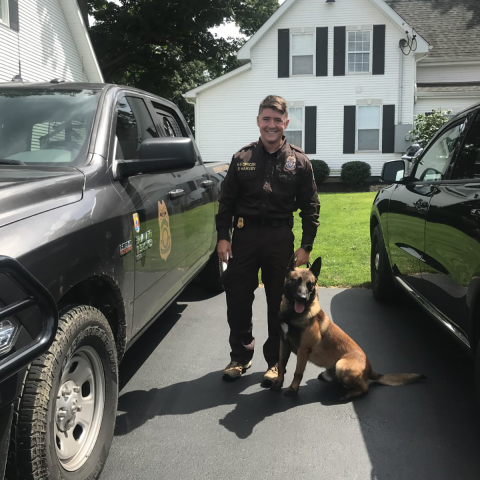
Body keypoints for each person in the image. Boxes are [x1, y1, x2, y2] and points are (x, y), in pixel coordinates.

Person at [216, 95, 320, 385]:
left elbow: (311, 206)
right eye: (266, 119)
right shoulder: (242, 158)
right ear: (258, 121)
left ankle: (275, 362)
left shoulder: (299, 161)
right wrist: (223, 237)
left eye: (277, 120)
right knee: (237, 297)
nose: (271, 125)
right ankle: (240, 356)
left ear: (286, 123)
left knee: (280, 301)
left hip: (279, 239)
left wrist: (306, 245)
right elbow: (226, 202)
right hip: (244, 237)